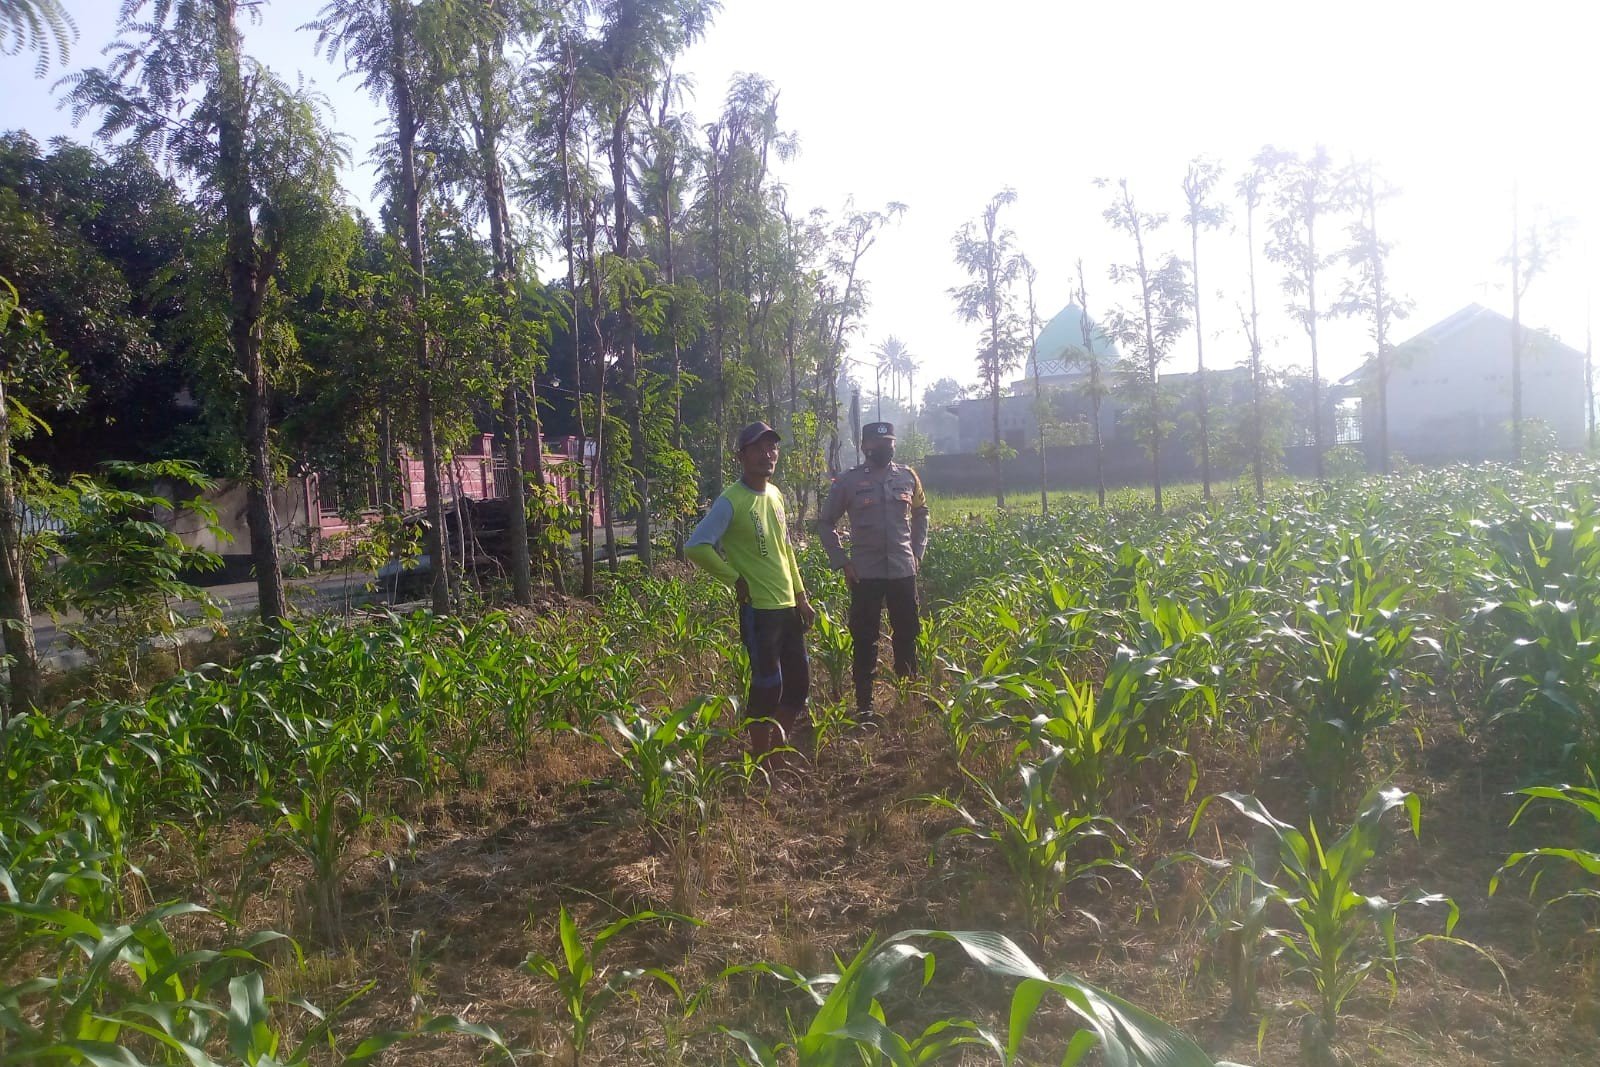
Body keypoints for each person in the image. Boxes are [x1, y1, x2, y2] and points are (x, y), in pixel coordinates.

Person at [686, 421, 816, 756]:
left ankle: (776, 747)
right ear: (741, 456)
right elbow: (696, 546)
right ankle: (761, 760)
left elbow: (786, 550)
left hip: (787, 607)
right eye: (758, 448)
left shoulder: (775, 495)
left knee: (798, 685)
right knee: (767, 687)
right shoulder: (731, 500)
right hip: (759, 610)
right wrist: (735, 579)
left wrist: (801, 598)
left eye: (772, 447)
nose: (767, 454)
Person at [818, 421, 929, 723]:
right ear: (866, 447)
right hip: (864, 573)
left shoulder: (908, 477)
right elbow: (825, 522)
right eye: (880, 445)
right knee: (865, 638)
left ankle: (907, 697)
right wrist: (841, 560)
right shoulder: (848, 482)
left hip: (903, 570)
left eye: (890, 443)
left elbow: (921, 513)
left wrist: (917, 552)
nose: (886, 448)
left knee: (907, 634)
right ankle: (865, 704)